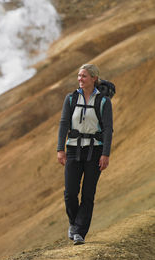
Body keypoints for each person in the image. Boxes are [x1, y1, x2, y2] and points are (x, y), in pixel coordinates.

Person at [57, 64, 113, 245]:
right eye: (79, 76)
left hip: (95, 151)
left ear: (94, 78)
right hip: (73, 149)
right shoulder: (71, 98)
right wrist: (60, 149)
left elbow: (107, 129)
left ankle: (79, 232)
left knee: (88, 194)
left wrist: (105, 154)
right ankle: (74, 224)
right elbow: (64, 123)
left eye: (84, 76)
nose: (80, 79)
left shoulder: (103, 101)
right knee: (70, 193)